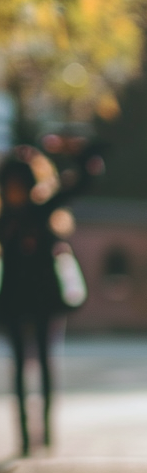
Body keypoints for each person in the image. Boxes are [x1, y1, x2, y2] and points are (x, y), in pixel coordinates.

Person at [0, 135, 103, 456]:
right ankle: (25, 439)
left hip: (44, 296)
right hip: (13, 299)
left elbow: (84, 179)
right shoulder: (5, 219)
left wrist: (76, 150)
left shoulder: (43, 210)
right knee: (19, 366)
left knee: (44, 361)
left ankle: (45, 433)